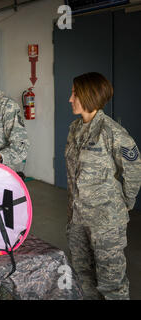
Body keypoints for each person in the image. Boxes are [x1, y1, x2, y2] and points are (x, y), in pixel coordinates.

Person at [65, 72, 141, 300]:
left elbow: (134, 169)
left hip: (106, 221)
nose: (70, 99)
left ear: (88, 96)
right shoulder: (74, 128)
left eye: (74, 94)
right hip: (78, 219)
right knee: (82, 277)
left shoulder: (112, 132)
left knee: (111, 285)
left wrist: (125, 203)